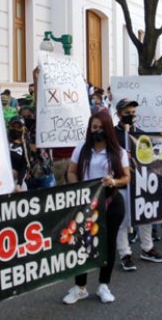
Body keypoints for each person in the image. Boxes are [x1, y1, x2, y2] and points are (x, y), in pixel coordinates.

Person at [63, 111, 130, 304]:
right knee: (82, 244)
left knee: (108, 245)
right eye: (94, 127)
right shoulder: (81, 149)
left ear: (108, 129)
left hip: (111, 204)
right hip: (87, 205)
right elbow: (71, 172)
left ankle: (103, 285)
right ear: (89, 129)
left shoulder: (118, 152)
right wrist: (79, 187)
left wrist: (114, 181)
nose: (97, 131)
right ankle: (80, 287)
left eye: (101, 127)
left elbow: (126, 177)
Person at [113, 99, 162, 272]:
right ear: (119, 113)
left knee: (146, 216)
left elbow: (150, 157)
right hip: (121, 183)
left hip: (140, 183)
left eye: (133, 112)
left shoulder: (141, 135)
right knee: (122, 220)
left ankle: (147, 248)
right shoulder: (112, 135)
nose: (131, 115)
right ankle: (124, 254)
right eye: (127, 113)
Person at [7, 116, 29, 191]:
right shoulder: (2, 140)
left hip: (16, 179)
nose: (16, 129)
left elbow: (25, 165)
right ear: (9, 126)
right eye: (14, 126)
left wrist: (19, 183)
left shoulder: (25, 145)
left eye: (18, 126)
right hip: (0, 177)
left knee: (23, 189)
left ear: (23, 128)